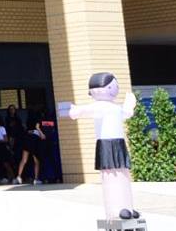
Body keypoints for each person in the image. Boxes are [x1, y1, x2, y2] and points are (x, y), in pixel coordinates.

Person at [59, 72, 140, 223]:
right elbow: (81, 111)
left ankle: (128, 206)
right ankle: (116, 209)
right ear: (105, 88)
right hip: (106, 144)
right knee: (111, 176)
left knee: (123, 174)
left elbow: (126, 113)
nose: (116, 88)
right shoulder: (99, 106)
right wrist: (72, 110)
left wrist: (130, 103)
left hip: (118, 143)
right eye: (114, 85)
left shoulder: (113, 107)